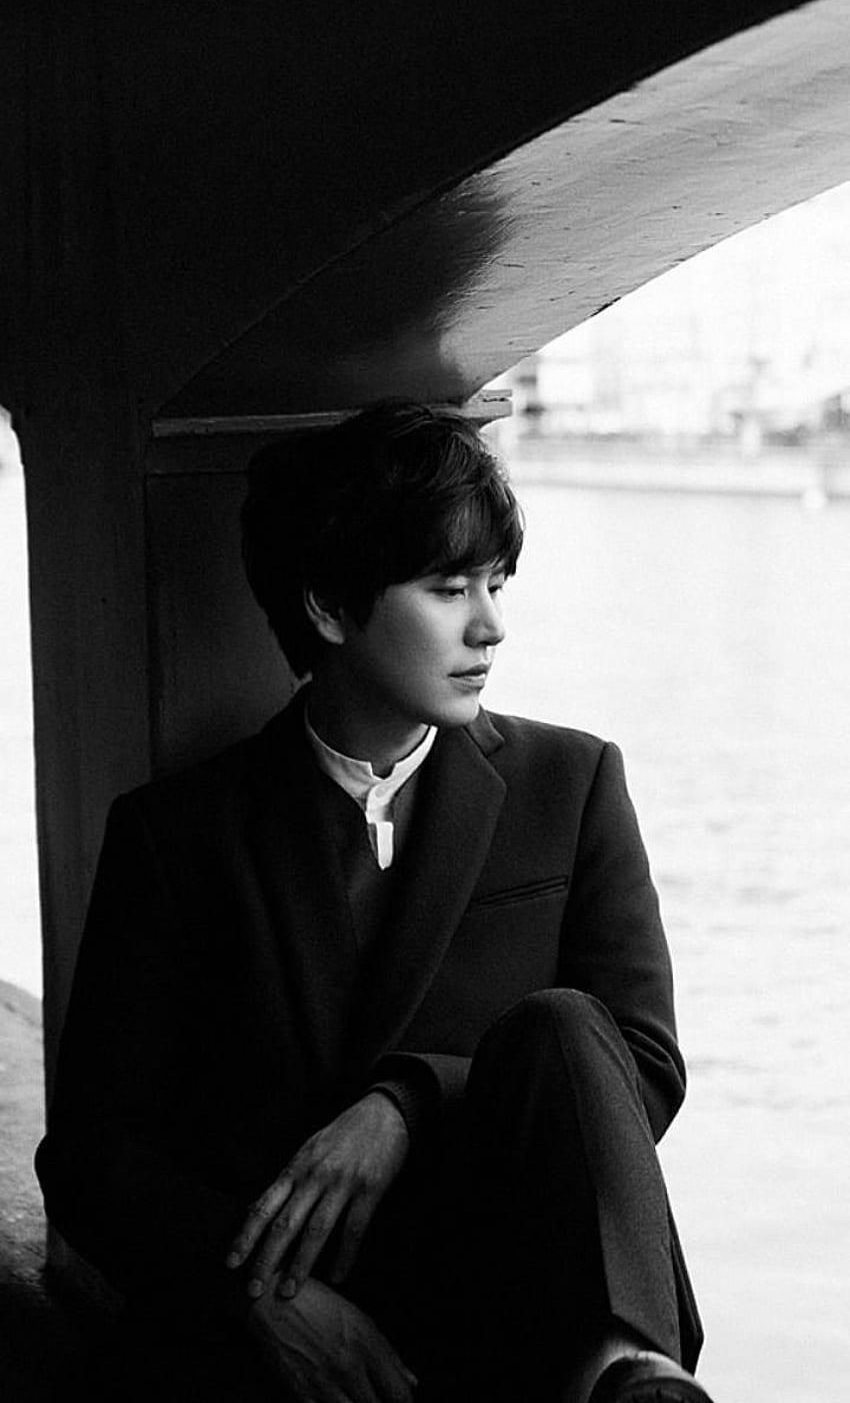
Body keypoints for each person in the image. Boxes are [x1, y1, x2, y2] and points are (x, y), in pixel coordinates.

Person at [36, 402, 714, 1403]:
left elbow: (640, 1065)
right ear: (327, 606)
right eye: (448, 588)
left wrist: (408, 1102)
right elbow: (93, 1157)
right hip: (287, 1343)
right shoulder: (178, 835)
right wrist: (261, 1297)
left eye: (495, 582)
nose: (489, 624)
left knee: (569, 1025)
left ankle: (630, 1373)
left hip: (512, 1313)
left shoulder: (570, 785)